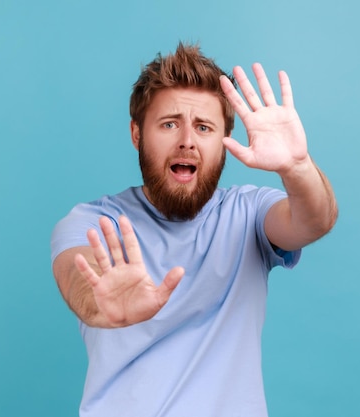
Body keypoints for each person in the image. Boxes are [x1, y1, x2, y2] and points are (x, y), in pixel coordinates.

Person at [51, 42, 337, 417]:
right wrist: (100, 306)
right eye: (169, 124)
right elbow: (76, 275)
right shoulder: (93, 222)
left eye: (203, 127)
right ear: (137, 134)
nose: (187, 140)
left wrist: (297, 167)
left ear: (224, 142)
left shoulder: (248, 213)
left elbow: (315, 220)